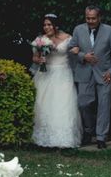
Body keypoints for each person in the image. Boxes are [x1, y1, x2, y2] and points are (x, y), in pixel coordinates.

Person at [68, 5, 111, 149]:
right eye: (88, 18)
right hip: (84, 72)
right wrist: (82, 56)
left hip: (105, 74)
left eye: (93, 18)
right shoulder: (78, 30)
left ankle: (101, 137)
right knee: (83, 104)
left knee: (104, 105)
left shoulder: (110, 31)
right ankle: (88, 131)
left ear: (99, 17)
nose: (90, 21)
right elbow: (71, 49)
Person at [31, 13, 82, 148]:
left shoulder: (67, 38)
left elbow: (74, 50)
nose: (46, 27)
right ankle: (44, 137)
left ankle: (64, 139)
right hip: (46, 74)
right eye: (44, 25)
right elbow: (34, 58)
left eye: (49, 24)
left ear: (55, 25)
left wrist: (76, 50)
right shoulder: (40, 40)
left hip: (63, 74)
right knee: (44, 103)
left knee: (63, 103)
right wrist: (39, 59)